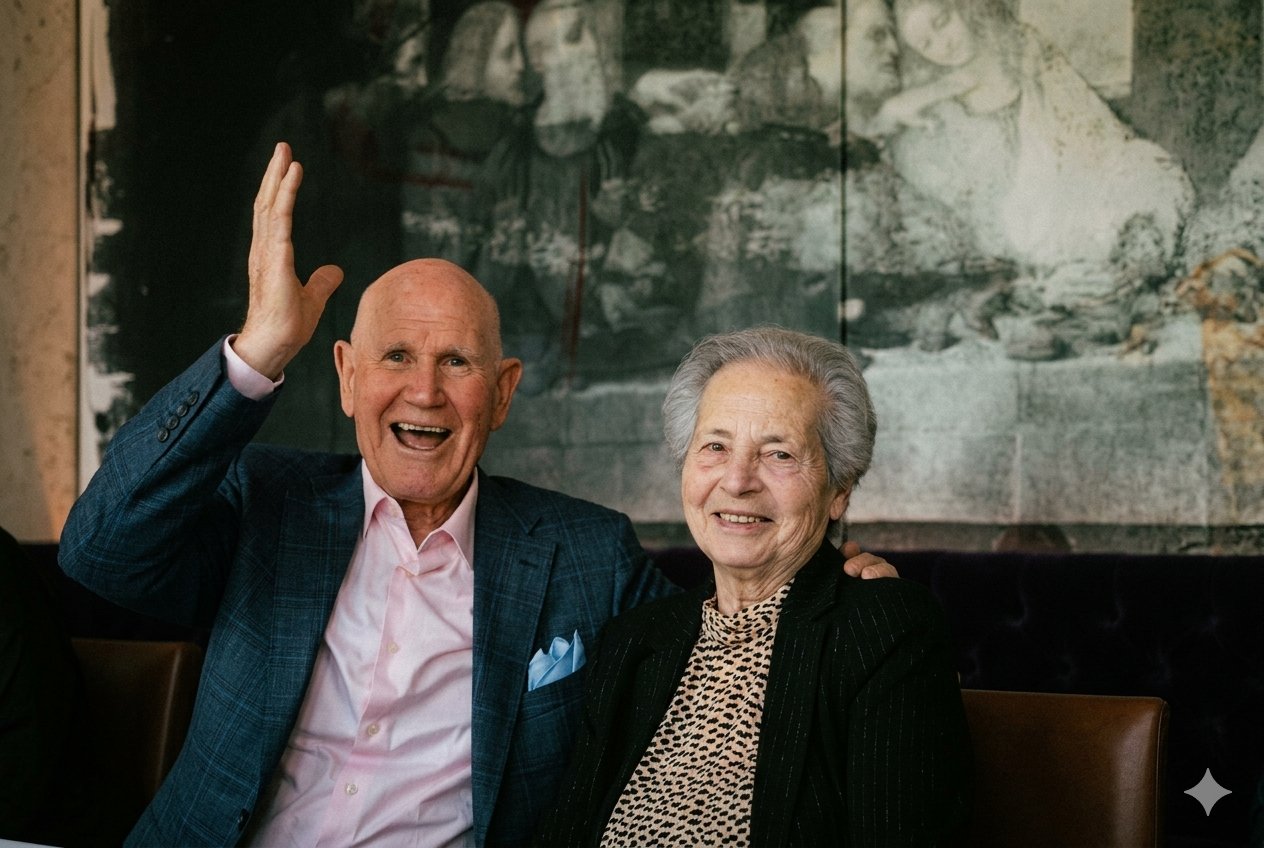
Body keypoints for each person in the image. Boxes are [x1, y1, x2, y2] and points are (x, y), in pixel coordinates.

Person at [59, 143, 896, 847]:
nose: (424, 392)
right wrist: (260, 350)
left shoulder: (585, 554)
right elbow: (99, 550)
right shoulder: (265, 504)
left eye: (456, 363)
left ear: (502, 392)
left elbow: (718, 633)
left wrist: (831, 588)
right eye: (395, 358)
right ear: (346, 377)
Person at [536, 327, 973, 846]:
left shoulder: (883, 633)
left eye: (779, 454)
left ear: (839, 490)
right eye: (715, 446)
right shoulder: (633, 641)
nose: (738, 480)